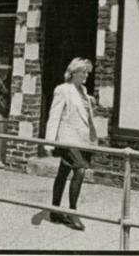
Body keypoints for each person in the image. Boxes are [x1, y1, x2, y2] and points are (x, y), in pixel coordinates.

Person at [44, 57, 97, 231]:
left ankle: (54, 210)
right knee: (80, 170)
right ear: (74, 72)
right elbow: (54, 116)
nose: (87, 75)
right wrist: (49, 142)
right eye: (84, 72)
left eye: (88, 72)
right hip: (67, 139)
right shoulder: (62, 90)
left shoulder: (83, 90)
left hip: (81, 140)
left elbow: (84, 115)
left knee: (63, 172)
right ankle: (73, 213)